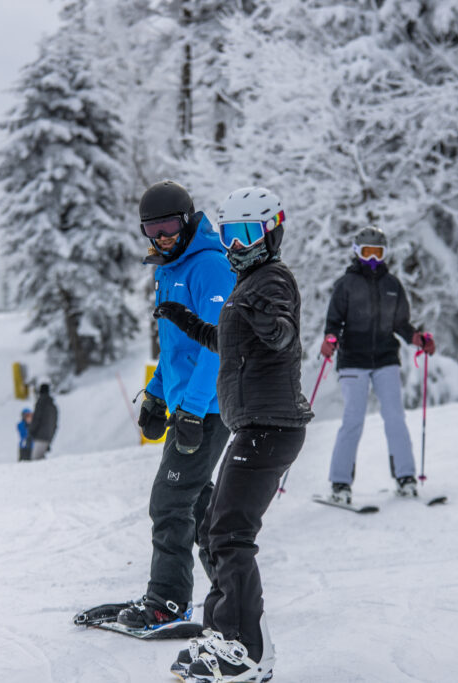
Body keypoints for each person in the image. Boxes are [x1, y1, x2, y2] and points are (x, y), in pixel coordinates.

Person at [154, 186, 312, 682]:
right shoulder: (248, 284)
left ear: (271, 232)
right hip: (258, 426)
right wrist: (187, 321)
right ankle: (232, 637)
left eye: (248, 233)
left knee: (229, 533)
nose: (238, 245)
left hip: (271, 426)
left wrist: (268, 319)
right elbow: (229, 339)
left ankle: (243, 648)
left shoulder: (272, 281)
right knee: (217, 528)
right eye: (230, 234)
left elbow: (280, 330)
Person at [112, 180, 235, 633]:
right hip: (189, 403)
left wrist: (192, 411)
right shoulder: (169, 268)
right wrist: (159, 395)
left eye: (169, 227)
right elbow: (175, 347)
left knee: (170, 502)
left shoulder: (210, 267)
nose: (161, 237)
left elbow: (216, 347)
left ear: (187, 221)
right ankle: (231, 598)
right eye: (152, 229)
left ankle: (167, 602)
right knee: (198, 506)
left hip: (210, 406)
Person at [320, 225, 436, 504]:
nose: (372, 259)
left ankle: (406, 477)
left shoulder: (392, 285)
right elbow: (334, 322)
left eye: (378, 253)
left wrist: (418, 338)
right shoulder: (345, 285)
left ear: (385, 254)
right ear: (357, 252)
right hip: (353, 360)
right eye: (367, 252)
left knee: (395, 417)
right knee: (353, 420)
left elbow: (401, 324)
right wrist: (330, 339)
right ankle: (340, 483)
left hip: (385, 358)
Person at [28, 384, 58, 460]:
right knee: (41, 460)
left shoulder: (40, 403)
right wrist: (50, 439)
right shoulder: (53, 406)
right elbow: (55, 425)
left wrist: (31, 431)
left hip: (40, 436)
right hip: (48, 437)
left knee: (35, 460)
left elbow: (36, 419)